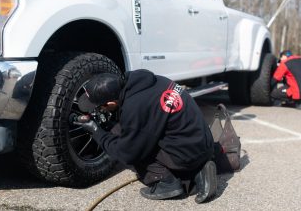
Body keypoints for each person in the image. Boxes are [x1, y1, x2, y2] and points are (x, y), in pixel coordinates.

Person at [77, 69, 217, 203]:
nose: (99, 110)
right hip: (204, 143)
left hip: (188, 155)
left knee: (135, 151)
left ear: (111, 103)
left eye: (100, 107)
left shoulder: (136, 108)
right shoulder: (149, 81)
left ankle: (167, 183)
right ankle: (200, 169)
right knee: (127, 133)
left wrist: (96, 131)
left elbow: (127, 153)